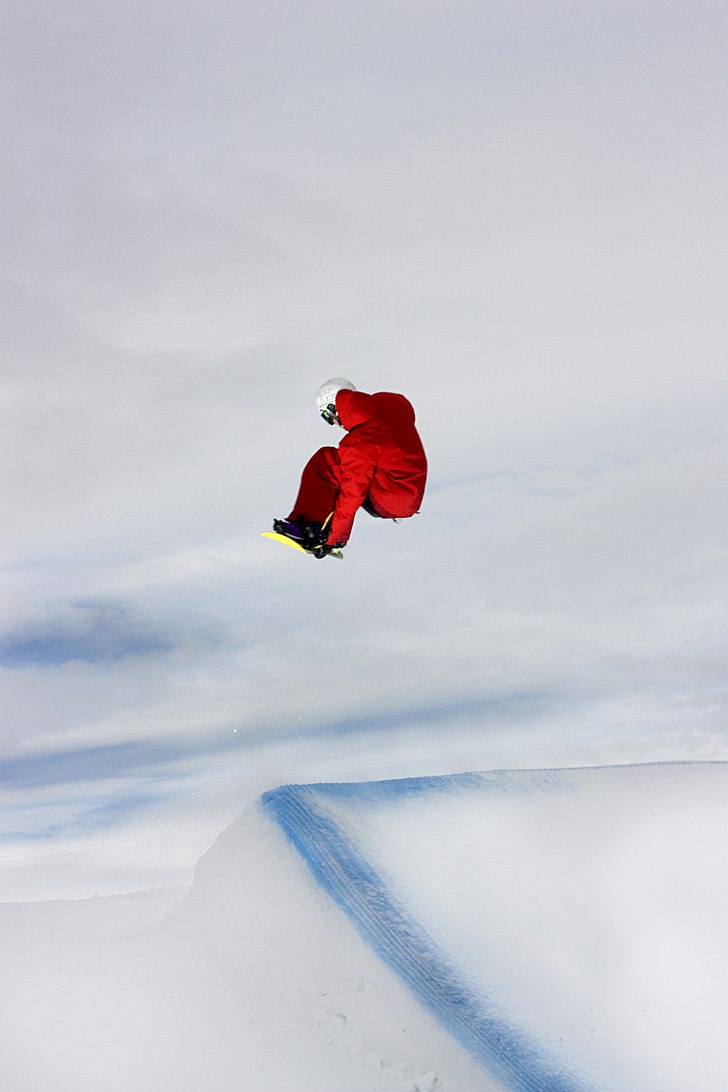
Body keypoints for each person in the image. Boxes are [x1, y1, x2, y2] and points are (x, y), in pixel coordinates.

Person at [273, 378, 427, 557]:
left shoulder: (359, 443)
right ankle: (318, 522)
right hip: (411, 489)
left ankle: (307, 527)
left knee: (327, 462)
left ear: (334, 408)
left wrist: (336, 538)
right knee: (341, 463)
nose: (334, 424)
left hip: (391, 500)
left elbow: (353, 493)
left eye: (328, 417)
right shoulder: (393, 403)